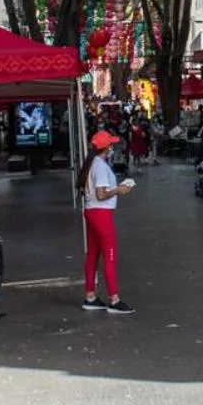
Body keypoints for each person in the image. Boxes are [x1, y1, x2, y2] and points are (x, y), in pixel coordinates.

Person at [81, 130, 136, 314]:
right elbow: (101, 194)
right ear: (107, 147)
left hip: (91, 211)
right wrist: (119, 190)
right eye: (111, 144)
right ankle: (114, 299)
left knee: (92, 256)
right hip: (101, 214)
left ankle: (90, 296)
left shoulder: (93, 164)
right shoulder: (100, 167)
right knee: (109, 256)